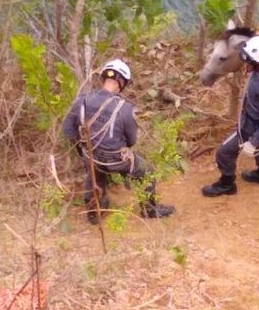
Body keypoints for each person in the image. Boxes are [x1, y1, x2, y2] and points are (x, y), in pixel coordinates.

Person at [63, 59, 175, 223]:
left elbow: (69, 130)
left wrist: (84, 152)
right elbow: (132, 140)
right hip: (115, 159)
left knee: (93, 173)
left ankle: (94, 213)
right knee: (147, 170)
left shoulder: (82, 99)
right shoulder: (125, 108)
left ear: (104, 78)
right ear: (121, 82)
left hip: (90, 155)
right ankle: (149, 209)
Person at [202, 35, 259, 197]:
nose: (246, 60)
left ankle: (227, 184)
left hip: (252, 123)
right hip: (258, 119)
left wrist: (252, 142)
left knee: (224, 152)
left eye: (250, 58)